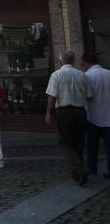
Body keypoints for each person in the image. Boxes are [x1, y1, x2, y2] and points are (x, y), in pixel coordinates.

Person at [45, 49, 92, 186]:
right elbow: (90, 96)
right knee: (78, 143)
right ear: (74, 61)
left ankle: (81, 170)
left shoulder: (56, 75)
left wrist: (48, 113)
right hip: (80, 112)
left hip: (65, 112)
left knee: (64, 142)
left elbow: (52, 96)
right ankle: (77, 174)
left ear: (60, 61)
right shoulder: (82, 75)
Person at [83, 53, 110, 179]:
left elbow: (86, 97)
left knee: (92, 147)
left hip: (93, 117)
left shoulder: (87, 76)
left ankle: (92, 169)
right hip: (109, 117)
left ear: (86, 62)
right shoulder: (108, 73)